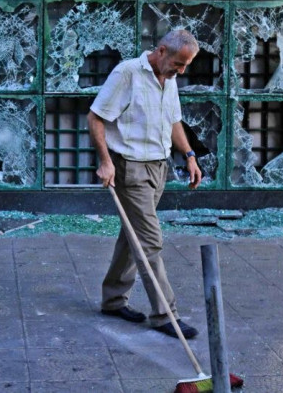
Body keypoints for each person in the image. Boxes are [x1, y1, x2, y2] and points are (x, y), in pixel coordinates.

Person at [87, 29, 203, 339]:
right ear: (162, 50)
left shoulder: (170, 77)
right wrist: (105, 161)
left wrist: (189, 155)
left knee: (133, 235)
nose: (182, 71)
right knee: (149, 240)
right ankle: (167, 315)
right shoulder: (127, 73)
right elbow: (95, 117)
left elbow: (174, 121)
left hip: (159, 167)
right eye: (179, 63)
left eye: (186, 65)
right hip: (130, 168)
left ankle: (113, 300)